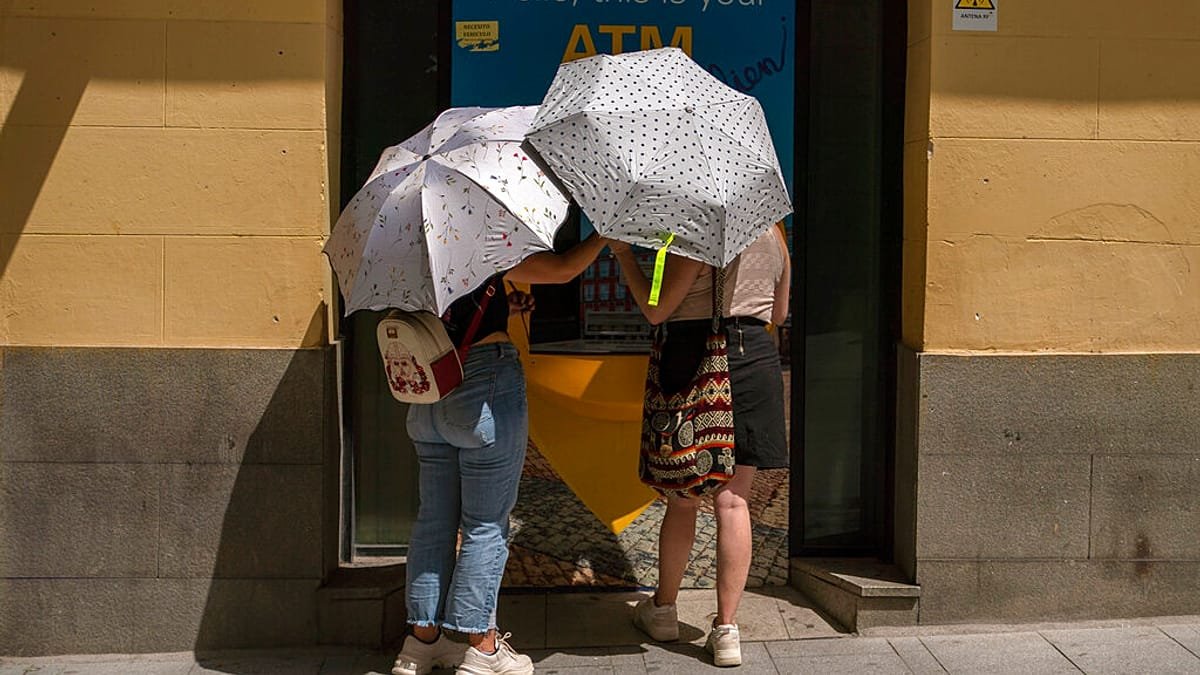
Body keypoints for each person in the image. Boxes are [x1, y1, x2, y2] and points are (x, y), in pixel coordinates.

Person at [391, 232, 608, 675]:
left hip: (427, 392)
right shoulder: (477, 235)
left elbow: (449, 311)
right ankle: (483, 648)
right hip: (482, 382)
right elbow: (563, 269)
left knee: (433, 520)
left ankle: (420, 645)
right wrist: (604, 239)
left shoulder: (404, 245)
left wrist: (500, 306)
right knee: (485, 525)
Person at [608, 223, 790, 668]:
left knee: (684, 499)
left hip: (698, 358)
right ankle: (726, 631)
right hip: (756, 360)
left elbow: (656, 311)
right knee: (734, 504)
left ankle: (664, 609)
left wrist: (625, 257)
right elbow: (779, 314)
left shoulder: (700, 229)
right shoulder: (777, 234)